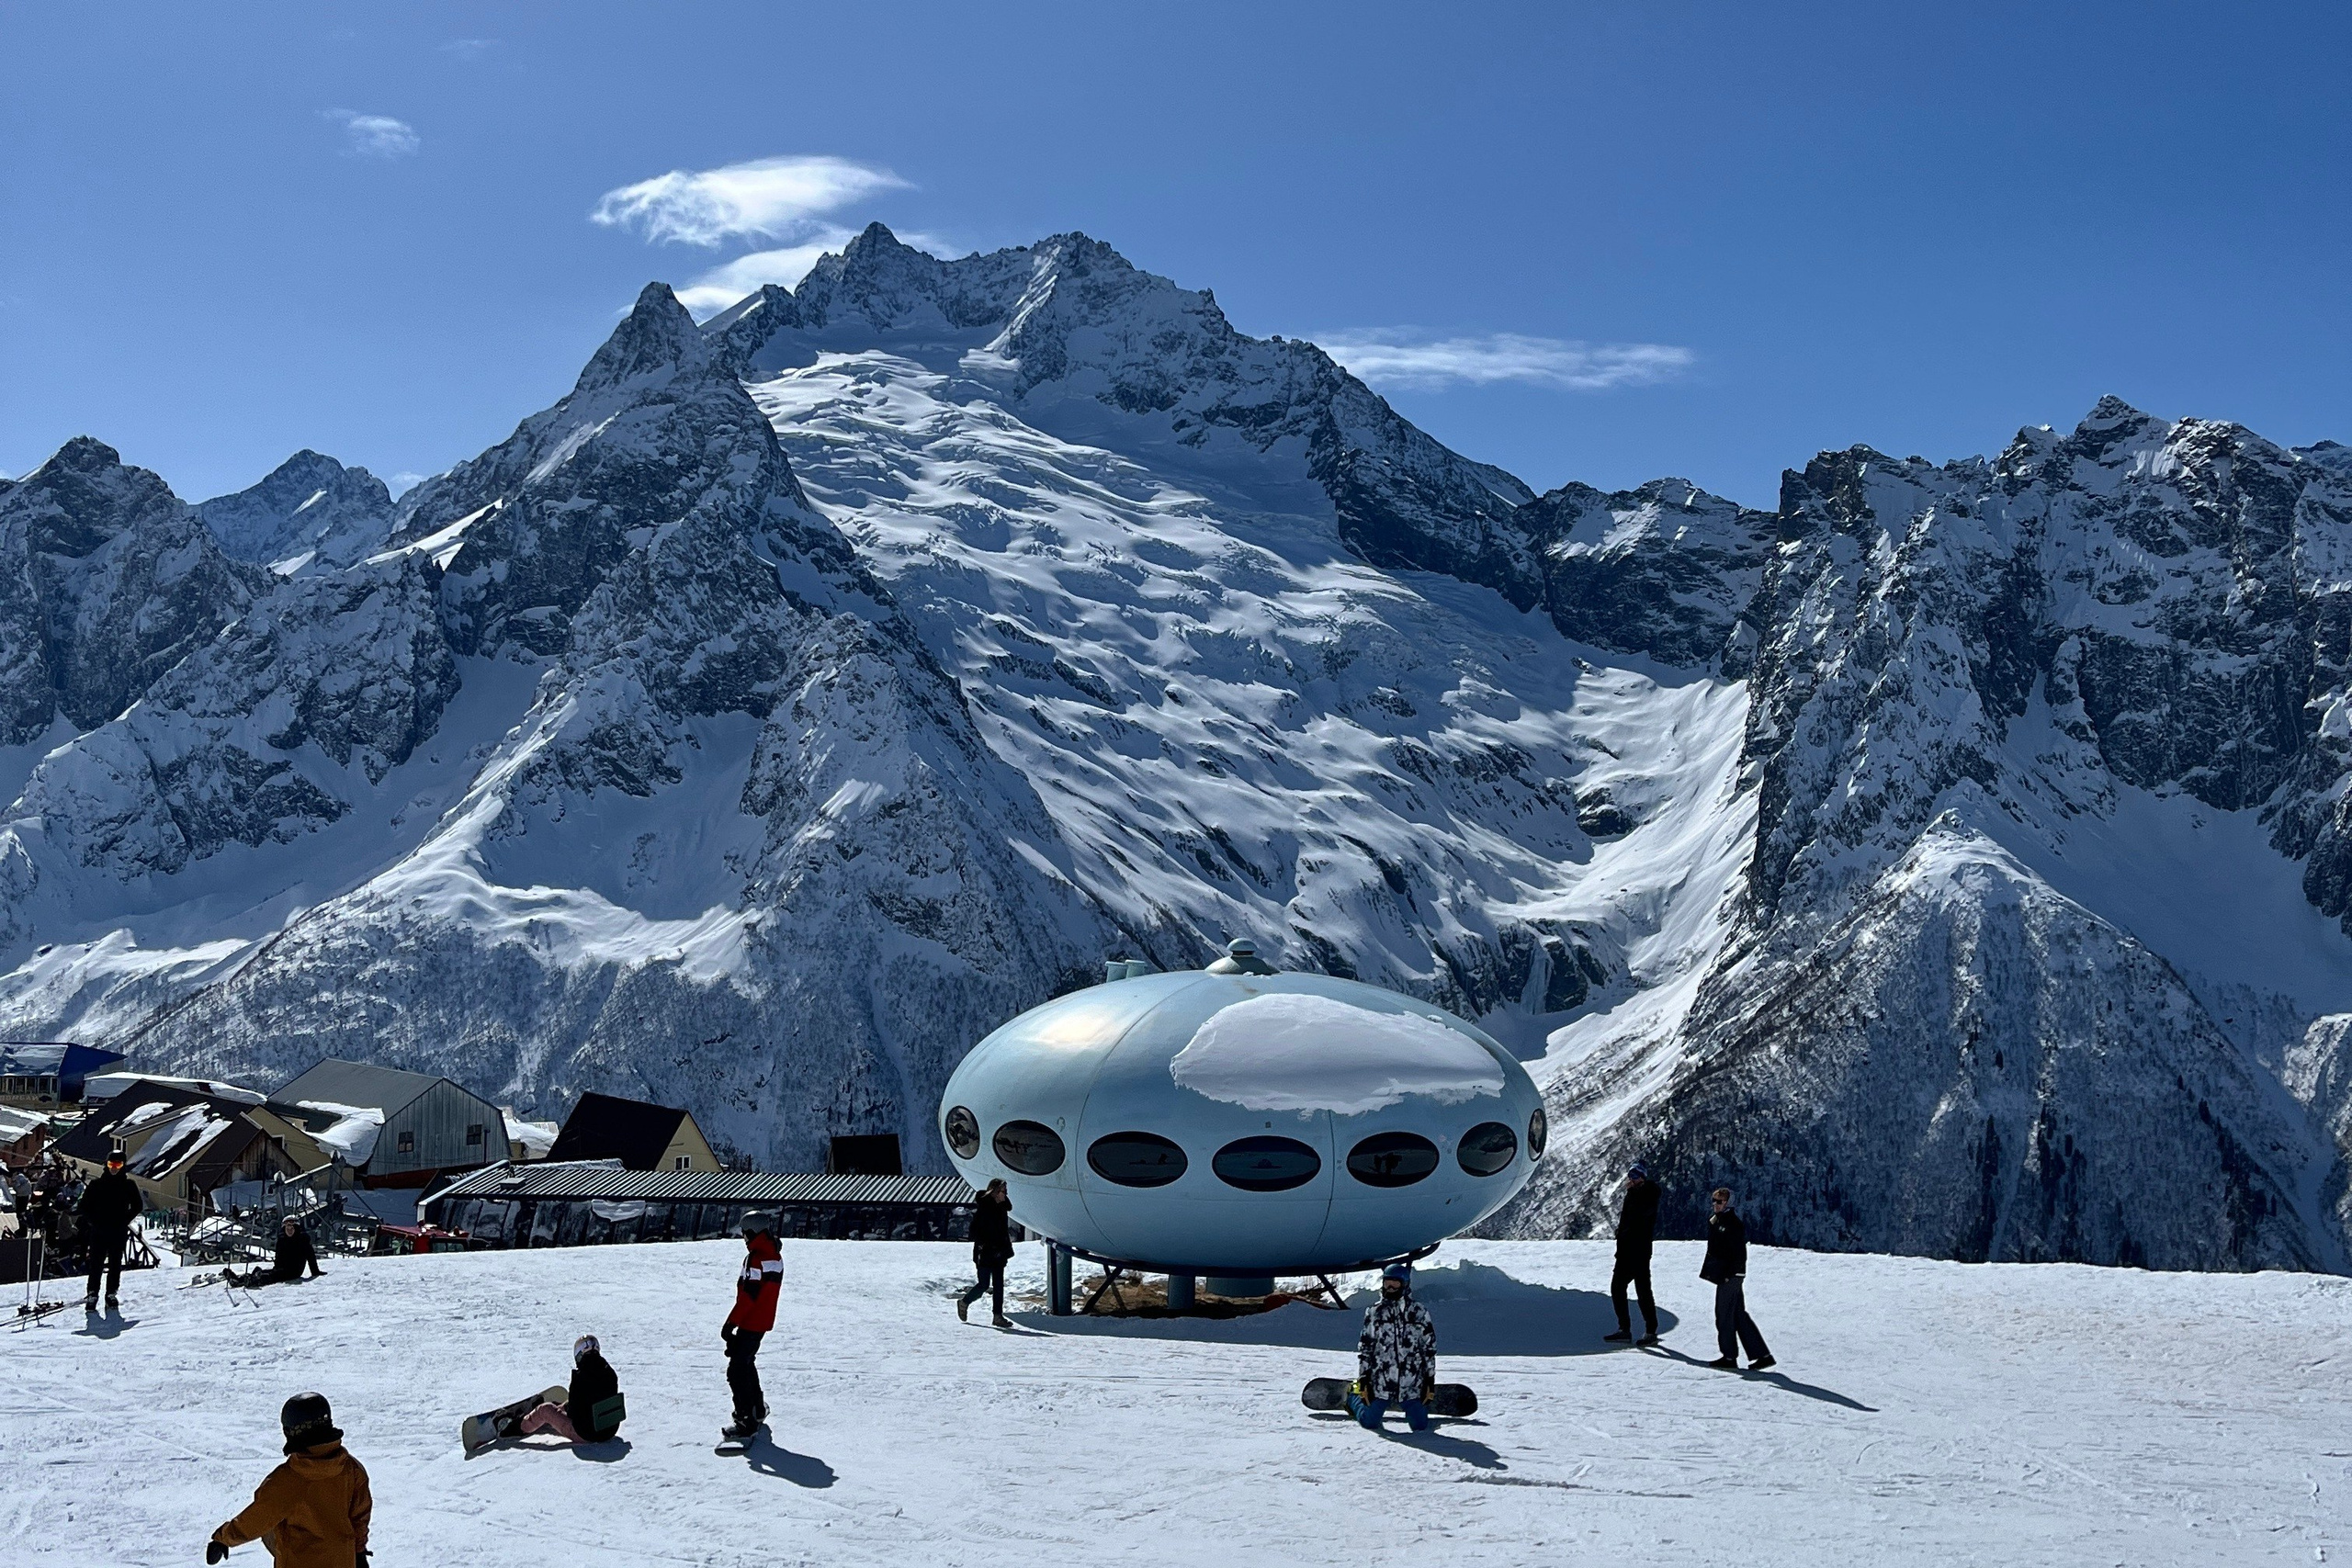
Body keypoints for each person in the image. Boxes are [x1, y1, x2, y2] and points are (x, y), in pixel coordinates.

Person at [206, 1392, 372, 1566]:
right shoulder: (351, 1469)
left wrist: (223, 1539)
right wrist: (359, 1553)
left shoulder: (288, 1480)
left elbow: (258, 1517)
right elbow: (359, 1516)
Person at [1348, 1263, 1437, 1432]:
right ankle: (1353, 1395)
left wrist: (1429, 1379)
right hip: (1381, 1382)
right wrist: (1364, 1379)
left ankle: (1418, 1408)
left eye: (1395, 1284)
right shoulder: (1375, 1312)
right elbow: (1366, 1348)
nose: (1390, 1288)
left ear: (1405, 1285)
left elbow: (1429, 1348)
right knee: (1369, 1422)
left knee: (1420, 1427)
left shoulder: (1418, 1312)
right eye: (1387, 1283)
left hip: (1411, 1383)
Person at [1700, 1186, 1774, 1371]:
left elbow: (1739, 1254)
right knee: (1738, 1314)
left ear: (1728, 1203)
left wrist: (1727, 1274)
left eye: (1719, 1201)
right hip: (1732, 1274)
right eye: (1714, 1200)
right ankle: (1762, 1356)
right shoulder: (1719, 1220)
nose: (1715, 1204)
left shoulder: (1732, 1223)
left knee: (1724, 1314)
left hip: (1731, 1275)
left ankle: (1729, 1356)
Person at [720, 1218, 782, 1441]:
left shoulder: (756, 1257)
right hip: (762, 1320)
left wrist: (731, 1323)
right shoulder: (773, 1254)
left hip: (751, 1320)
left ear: (753, 1232)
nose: (743, 1237)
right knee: (745, 1362)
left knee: (736, 1370)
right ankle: (757, 1408)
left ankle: (746, 1420)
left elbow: (749, 1296)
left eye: (745, 1232)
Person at [517, 1335, 625, 1444]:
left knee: (544, 1410)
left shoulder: (581, 1376)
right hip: (609, 1431)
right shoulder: (610, 1373)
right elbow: (594, 1398)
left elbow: (574, 1411)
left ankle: (520, 1427)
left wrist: (559, 1410)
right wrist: (563, 1407)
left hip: (587, 1435)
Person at [1602, 1161, 1662, 1345]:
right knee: (1618, 1287)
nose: (1631, 1179)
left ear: (1642, 1177)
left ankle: (1650, 1331)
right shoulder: (1633, 1194)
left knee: (1642, 1290)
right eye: (1630, 1175)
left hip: (1639, 1251)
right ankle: (1624, 1329)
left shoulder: (1648, 1194)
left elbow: (1640, 1216)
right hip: (1626, 1251)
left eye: (1635, 1176)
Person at [77, 1148, 142, 1310]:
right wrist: (94, 1222)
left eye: (117, 1165)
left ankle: (111, 1293)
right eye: (111, 1164)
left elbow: (138, 1206)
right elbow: (84, 1206)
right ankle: (93, 1293)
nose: (114, 1168)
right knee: (96, 1263)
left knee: (115, 1263)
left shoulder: (128, 1185)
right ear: (106, 1165)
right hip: (99, 1230)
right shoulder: (96, 1185)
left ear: (123, 1166)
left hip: (117, 1231)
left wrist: (124, 1220)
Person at [956, 1178, 1015, 1327]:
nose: (1005, 1194)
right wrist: (988, 1244)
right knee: (983, 1284)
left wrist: (1003, 1248)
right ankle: (964, 1302)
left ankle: (998, 1316)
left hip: (999, 1252)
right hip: (985, 1252)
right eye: (1003, 1191)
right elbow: (975, 1231)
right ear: (995, 1192)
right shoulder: (985, 1208)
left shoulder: (1002, 1207)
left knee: (999, 1285)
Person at [225, 1217, 324, 1291]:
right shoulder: (282, 1241)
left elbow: (311, 1258)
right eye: (287, 1229)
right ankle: (240, 1279)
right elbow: (278, 1258)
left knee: (273, 1276)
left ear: (296, 1229)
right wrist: (277, 1267)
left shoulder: (303, 1241)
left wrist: (315, 1272)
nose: (289, 1231)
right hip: (281, 1269)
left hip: (294, 1271)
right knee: (268, 1272)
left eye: (292, 1229)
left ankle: (254, 1280)